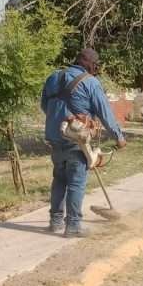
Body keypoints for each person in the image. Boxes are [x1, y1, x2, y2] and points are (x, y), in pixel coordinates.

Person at [40, 48, 126, 237]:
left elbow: (45, 106)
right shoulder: (90, 82)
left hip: (55, 138)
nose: (96, 69)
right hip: (77, 140)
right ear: (89, 63)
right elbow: (105, 113)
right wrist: (119, 137)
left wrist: (61, 120)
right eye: (95, 65)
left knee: (59, 179)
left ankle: (55, 222)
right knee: (76, 182)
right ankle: (73, 226)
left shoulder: (53, 77)